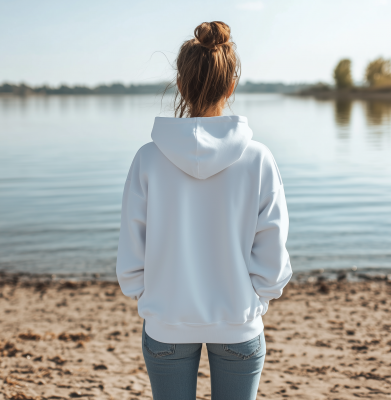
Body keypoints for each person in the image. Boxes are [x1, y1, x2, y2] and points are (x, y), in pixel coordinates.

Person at [116, 21, 292, 400]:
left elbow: (131, 259)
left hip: (166, 325)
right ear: (231, 86)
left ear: (181, 85)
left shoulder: (148, 159)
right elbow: (273, 259)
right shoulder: (259, 158)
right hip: (238, 326)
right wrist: (249, 303)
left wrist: (157, 300)